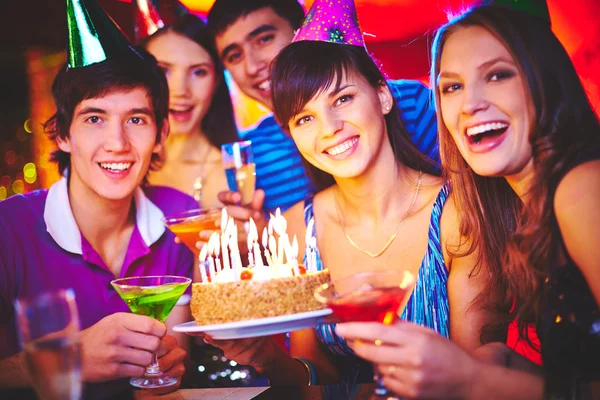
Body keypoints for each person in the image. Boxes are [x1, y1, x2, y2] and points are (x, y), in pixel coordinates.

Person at [200, 0, 494, 386]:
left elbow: (479, 379)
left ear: (384, 97)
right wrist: (268, 357)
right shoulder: (297, 229)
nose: (330, 128)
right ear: (293, 136)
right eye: (306, 118)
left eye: (343, 99)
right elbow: (315, 379)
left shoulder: (459, 215)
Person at [336, 4, 600, 399]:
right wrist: (500, 362)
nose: (470, 103)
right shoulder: (519, 212)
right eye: (452, 87)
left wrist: (473, 379)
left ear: (544, 80)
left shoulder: (582, 186)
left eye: (497, 75)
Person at [0, 0, 196, 398]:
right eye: (94, 118)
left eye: (136, 119)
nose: (117, 144)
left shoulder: (179, 219)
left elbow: (165, 377)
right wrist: (67, 357)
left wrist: (166, 370)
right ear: (63, 136)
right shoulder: (8, 230)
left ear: (160, 134)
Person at [206, 0, 440, 221]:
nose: (252, 66)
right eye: (235, 56)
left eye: (264, 39)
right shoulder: (250, 159)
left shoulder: (414, 104)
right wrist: (257, 239)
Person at [134, 0, 239, 209]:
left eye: (198, 72)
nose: (181, 90)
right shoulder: (115, 162)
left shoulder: (233, 176)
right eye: (163, 71)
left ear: (216, 81)